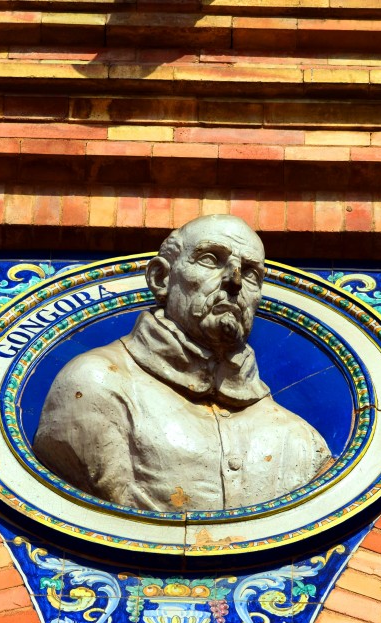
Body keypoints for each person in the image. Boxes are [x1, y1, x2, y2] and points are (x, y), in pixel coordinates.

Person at [34, 214, 331, 511]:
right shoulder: (95, 385)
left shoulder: (299, 439)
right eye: (210, 259)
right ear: (162, 278)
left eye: (251, 273)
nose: (235, 281)